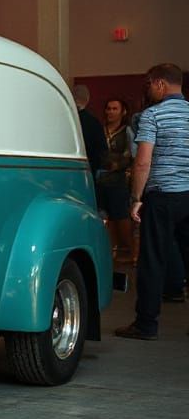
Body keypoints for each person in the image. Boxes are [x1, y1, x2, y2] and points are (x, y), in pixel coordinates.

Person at [115, 63, 189, 340]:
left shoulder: (153, 115)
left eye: (149, 84)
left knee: (152, 260)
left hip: (163, 196)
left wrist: (136, 198)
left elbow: (143, 161)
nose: (148, 89)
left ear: (159, 84)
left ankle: (146, 324)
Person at [97, 97, 134, 262]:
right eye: (108, 108)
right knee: (106, 218)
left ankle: (131, 251)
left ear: (122, 111)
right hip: (100, 179)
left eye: (114, 109)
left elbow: (131, 154)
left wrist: (115, 164)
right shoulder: (100, 129)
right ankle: (112, 249)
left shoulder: (127, 131)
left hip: (118, 180)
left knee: (121, 217)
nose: (110, 112)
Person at [72, 83, 107, 177]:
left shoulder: (64, 119)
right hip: (88, 168)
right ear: (87, 99)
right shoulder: (93, 122)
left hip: (68, 167)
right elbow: (102, 150)